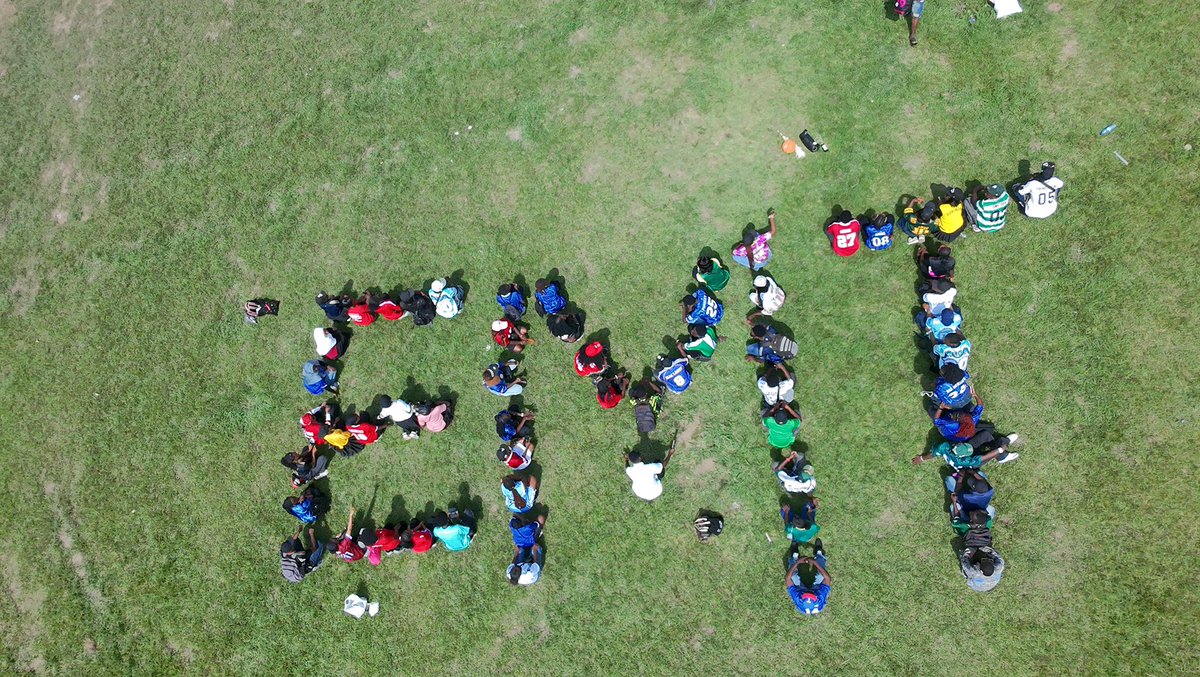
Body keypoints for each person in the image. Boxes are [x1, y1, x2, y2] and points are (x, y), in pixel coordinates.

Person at [911, 432, 1020, 469]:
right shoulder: (966, 461)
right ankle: (1002, 456)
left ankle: (1002, 442)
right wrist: (1000, 450)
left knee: (985, 435)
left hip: (961, 455)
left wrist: (922, 458)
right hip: (974, 463)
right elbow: (985, 457)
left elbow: (934, 453)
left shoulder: (944, 446)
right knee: (992, 453)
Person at [785, 540, 830, 615]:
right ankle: (819, 555)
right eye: (810, 592)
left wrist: (797, 562)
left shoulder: (798, 599)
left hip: (802, 591)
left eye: (806, 593)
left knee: (792, 576)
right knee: (822, 576)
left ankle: (794, 556)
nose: (808, 591)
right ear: (815, 597)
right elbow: (827, 578)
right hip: (816, 590)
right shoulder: (820, 597)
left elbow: (787, 578)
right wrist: (815, 562)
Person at [959, 520, 1005, 592]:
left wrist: (970, 550)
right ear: (993, 564)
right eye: (989, 560)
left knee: (964, 566)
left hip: (977, 586)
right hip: (991, 584)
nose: (987, 558)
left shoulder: (973, 571)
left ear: (979, 567)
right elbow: (996, 555)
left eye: (984, 559)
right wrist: (984, 548)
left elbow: (964, 560)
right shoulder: (1000, 566)